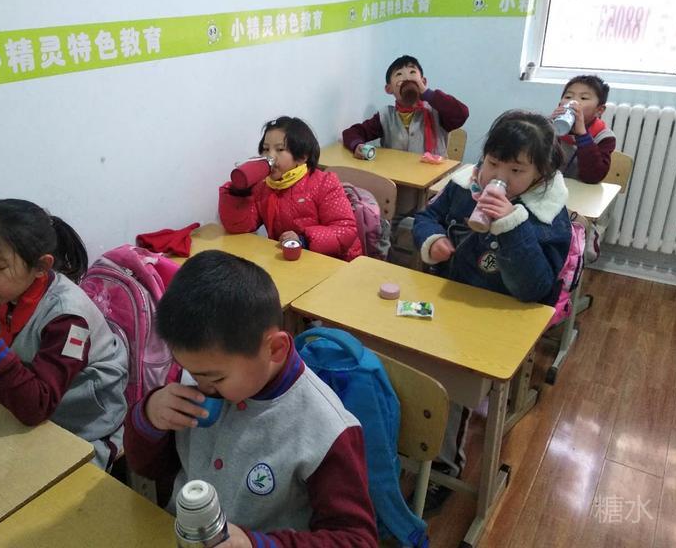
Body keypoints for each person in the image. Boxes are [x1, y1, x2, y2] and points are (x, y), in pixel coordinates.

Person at [124, 250, 378, 547]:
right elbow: (149, 468)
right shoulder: (200, 371)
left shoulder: (325, 429)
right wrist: (150, 416)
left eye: (216, 378)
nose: (201, 386)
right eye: (189, 370)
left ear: (275, 350)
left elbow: (358, 540)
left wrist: (256, 543)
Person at [412, 110, 572, 509]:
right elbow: (427, 216)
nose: (499, 177)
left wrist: (512, 225)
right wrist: (432, 239)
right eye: (493, 163)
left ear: (541, 174)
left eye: (516, 170)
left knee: (451, 386)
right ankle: (407, 437)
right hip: (450, 301)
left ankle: (444, 468)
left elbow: (533, 288)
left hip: (503, 319)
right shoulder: (464, 187)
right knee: (408, 361)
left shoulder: (547, 216)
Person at [0, 199, 128, 470]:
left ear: (41, 266)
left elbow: (37, 408)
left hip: (83, 427)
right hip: (22, 409)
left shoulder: (68, 319)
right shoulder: (2, 293)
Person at [219, 116, 362, 261]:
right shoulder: (264, 186)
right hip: (288, 260)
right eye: (266, 149)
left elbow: (346, 230)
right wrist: (240, 192)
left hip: (333, 261)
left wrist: (304, 240)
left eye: (280, 149)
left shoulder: (324, 183)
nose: (270, 156)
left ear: (302, 156)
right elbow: (240, 226)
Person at [342, 54, 469, 159]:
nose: (407, 78)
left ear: (423, 82)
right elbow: (351, 133)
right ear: (389, 89)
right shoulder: (386, 116)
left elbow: (461, 114)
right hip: (398, 179)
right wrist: (357, 145)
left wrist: (427, 93)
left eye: (412, 72)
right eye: (399, 74)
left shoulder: (436, 110)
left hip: (434, 180)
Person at [550, 74, 616, 184]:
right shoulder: (549, 128)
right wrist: (545, 128)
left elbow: (593, 177)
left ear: (599, 110)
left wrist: (582, 135)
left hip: (583, 191)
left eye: (584, 98)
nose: (573, 102)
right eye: (568, 97)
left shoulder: (604, 137)